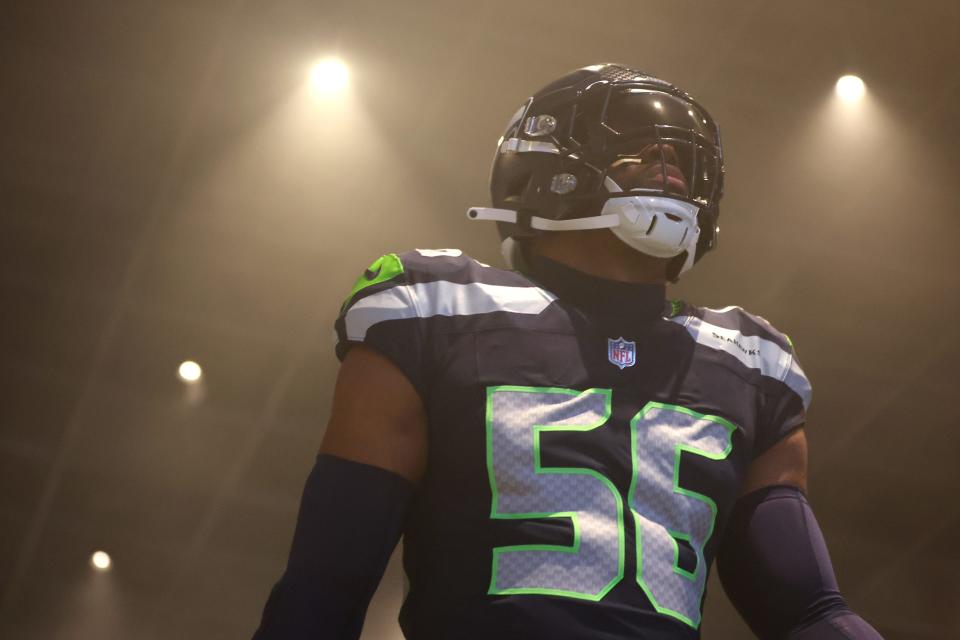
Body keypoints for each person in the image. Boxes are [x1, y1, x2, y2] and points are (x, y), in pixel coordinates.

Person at [253, 64, 883, 639]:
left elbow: (809, 612)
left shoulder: (750, 363)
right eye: (638, 145)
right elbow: (325, 586)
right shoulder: (436, 310)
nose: (668, 160)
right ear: (543, 163)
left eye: (681, 155)